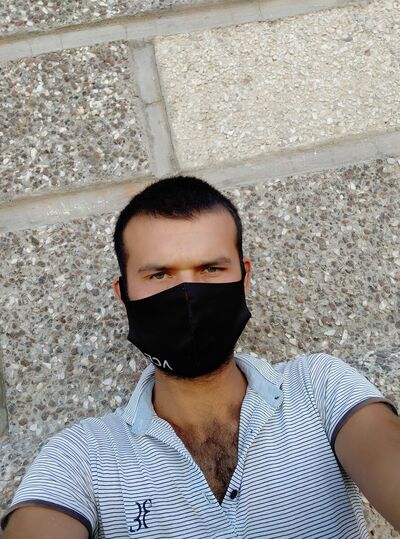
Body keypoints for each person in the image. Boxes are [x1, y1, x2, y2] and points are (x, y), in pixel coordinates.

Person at [1, 176, 399, 539]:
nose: (188, 294)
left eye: (210, 268)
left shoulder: (318, 387)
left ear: (244, 277)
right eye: (160, 275)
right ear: (124, 295)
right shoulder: (83, 457)